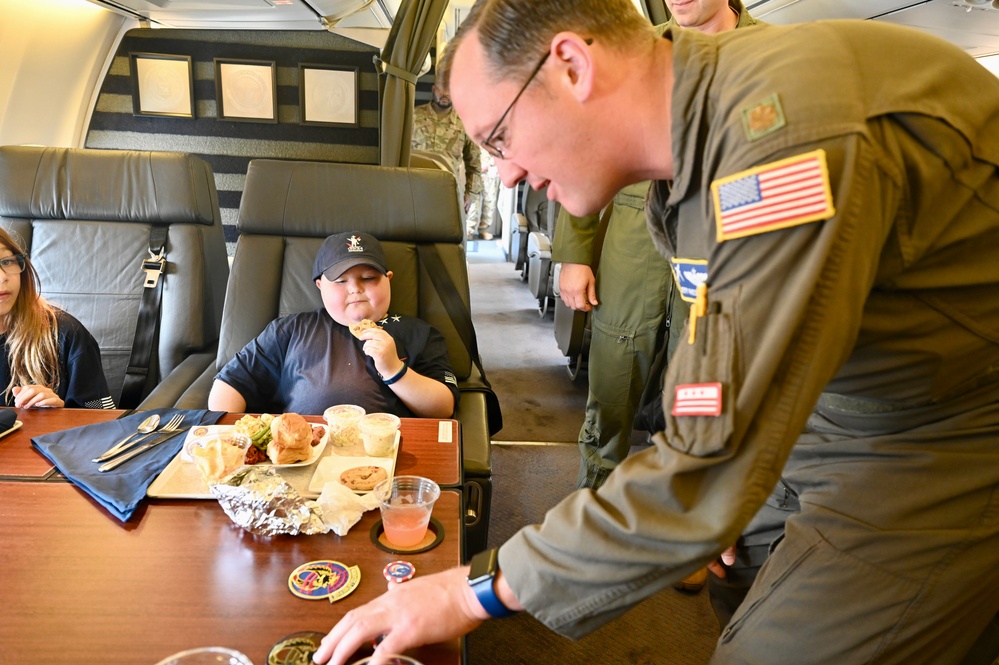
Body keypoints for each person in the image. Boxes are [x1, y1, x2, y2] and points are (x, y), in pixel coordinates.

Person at [313, 3, 999, 665]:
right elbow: (717, 368)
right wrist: (706, 487)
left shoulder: (783, 139)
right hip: (831, 404)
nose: (506, 173)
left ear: (572, 66)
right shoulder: (689, 143)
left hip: (940, 436)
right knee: (740, 577)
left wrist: (472, 590)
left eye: (498, 139)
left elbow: (709, 459)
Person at [555, 0, 761, 596]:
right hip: (634, 229)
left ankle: (681, 521)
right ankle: (596, 503)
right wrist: (575, 250)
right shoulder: (636, 55)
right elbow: (586, 144)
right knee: (618, 364)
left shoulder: (775, 54)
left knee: (704, 374)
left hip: (729, 233)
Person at [208, 231, 459, 417]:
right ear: (320, 286)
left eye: (369, 278)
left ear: (388, 279)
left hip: (384, 452)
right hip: (304, 451)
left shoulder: (419, 333)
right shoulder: (291, 329)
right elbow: (231, 382)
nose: (355, 289)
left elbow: (443, 407)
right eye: (340, 281)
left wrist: (394, 369)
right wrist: (234, 438)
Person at [0, 229, 114, 410]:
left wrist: (62, 414)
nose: (3, 277)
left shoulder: (67, 334)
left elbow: (102, 415)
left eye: (7, 262)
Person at [412, 79, 485, 239]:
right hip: (415, 191)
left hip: (449, 193)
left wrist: (470, 194)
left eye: (449, 89)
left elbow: (475, 165)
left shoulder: (464, 122)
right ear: (433, 89)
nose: (444, 93)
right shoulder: (414, 116)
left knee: (448, 242)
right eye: (440, 89)